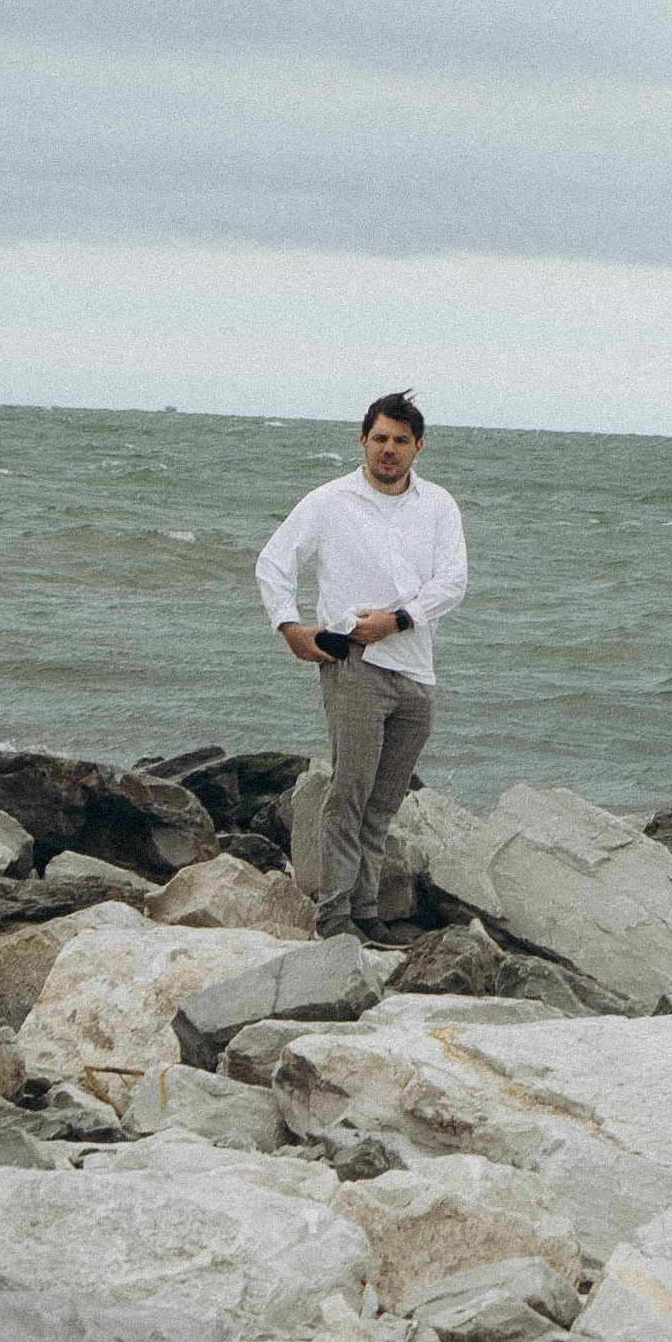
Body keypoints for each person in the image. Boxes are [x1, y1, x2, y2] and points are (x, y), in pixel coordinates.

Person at [254, 392, 468, 940]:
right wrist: (290, 629)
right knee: (349, 792)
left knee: (383, 801)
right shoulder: (329, 502)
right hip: (354, 665)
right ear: (363, 441)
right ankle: (334, 918)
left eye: (400, 440)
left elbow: (453, 582)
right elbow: (274, 563)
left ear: (419, 446)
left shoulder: (438, 505)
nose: (389, 450)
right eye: (380, 438)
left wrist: (398, 620)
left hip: (416, 671)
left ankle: (367, 913)